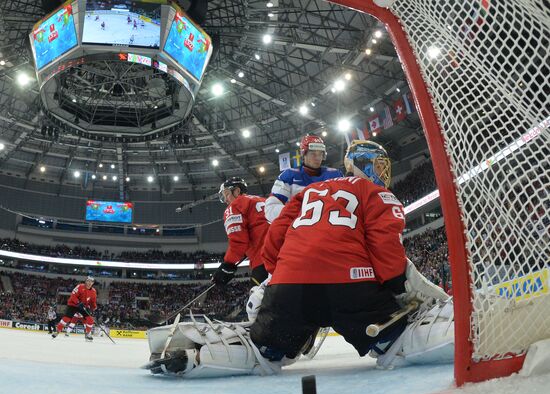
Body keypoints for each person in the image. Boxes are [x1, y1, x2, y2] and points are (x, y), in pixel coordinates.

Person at [143, 141, 453, 378]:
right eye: (380, 166)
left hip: (290, 289)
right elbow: (385, 246)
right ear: (366, 165)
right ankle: (461, 327)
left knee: (264, 351)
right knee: (395, 341)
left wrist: (279, 278)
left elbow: (275, 236)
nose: (384, 174)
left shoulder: (308, 192)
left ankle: (195, 353)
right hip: (352, 290)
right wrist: (396, 284)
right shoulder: (376, 193)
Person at [264, 134, 343, 223]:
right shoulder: (288, 176)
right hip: (298, 229)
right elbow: (270, 208)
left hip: (330, 226)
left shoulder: (335, 175)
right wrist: (303, 215)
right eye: (313, 154)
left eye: (320, 154)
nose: (318, 158)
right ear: (303, 154)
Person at [211, 177, 269, 287]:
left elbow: (238, 243)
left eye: (227, 194)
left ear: (237, 191)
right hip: (288, 256)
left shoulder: (235, 206)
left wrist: (227, 265)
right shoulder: (264, 200)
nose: (226, 200)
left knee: (258, 302)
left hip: (265, 261)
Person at [52, 276, 97, 341]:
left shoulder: (93, 291)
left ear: (93, 283)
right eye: (88, 281)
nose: (89, 283)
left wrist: (94, 307)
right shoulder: (80, 286)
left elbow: (93, 301)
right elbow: (73, 295)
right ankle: (57, 331)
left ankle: (88, 334)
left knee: (90, 320)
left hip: (83, 306)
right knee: (66, 318)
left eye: (91, 281)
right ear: (86, 281)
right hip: (73, 304)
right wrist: (78, 302)